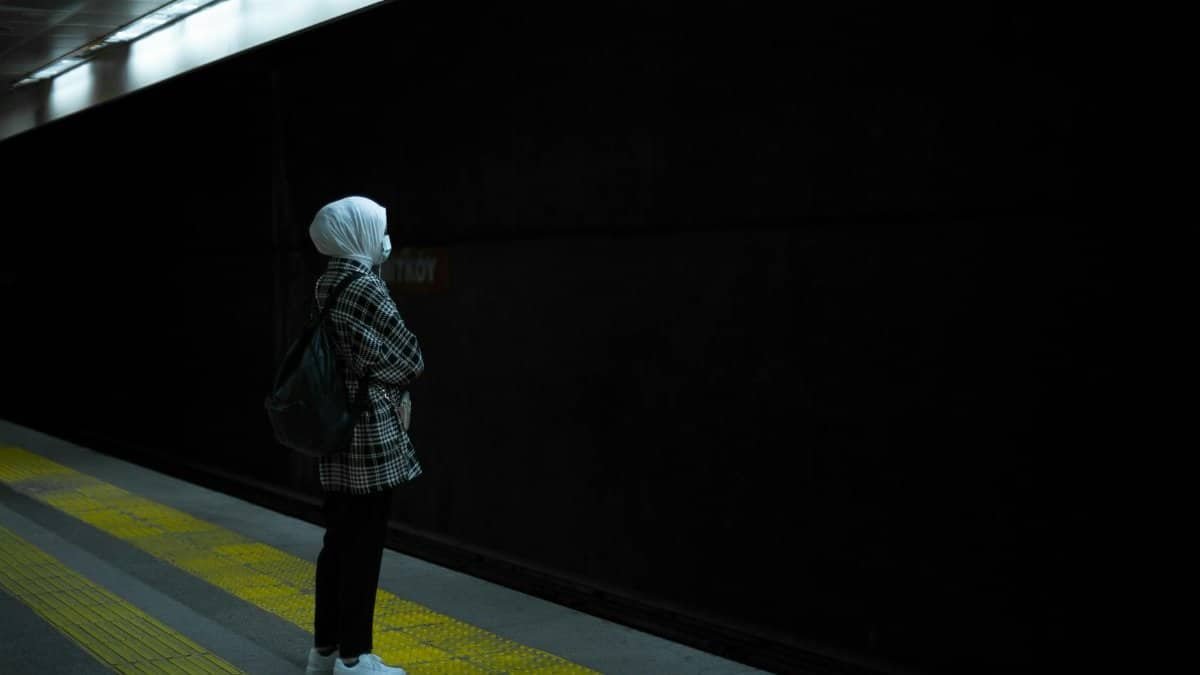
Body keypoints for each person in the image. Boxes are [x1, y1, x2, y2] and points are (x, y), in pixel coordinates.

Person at [303, 196, 424, 675]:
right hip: (368, 435)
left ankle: (325, 651)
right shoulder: (365, 287)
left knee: (337, 542)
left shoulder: (327, 282)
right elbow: (411, 357)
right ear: (357, 232)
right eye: (377, 227)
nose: (383, 236)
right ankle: (356, 659)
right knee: (365, 546)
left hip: (337, 434)